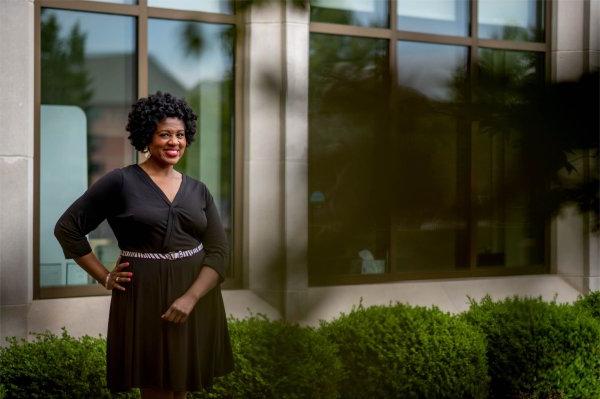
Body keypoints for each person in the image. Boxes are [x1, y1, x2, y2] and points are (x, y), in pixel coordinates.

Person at [54, 92, 234, 399]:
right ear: (146, 136)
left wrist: (191, 298)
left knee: (181, 388)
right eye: (164, 134)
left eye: (180, 135)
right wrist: (103, 276)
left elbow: (219, 252)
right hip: (145, 297)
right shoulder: (121, 182)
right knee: (157, 387)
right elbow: (68, 229)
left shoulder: (199, 190)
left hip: (196, 295)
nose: (174, 142)